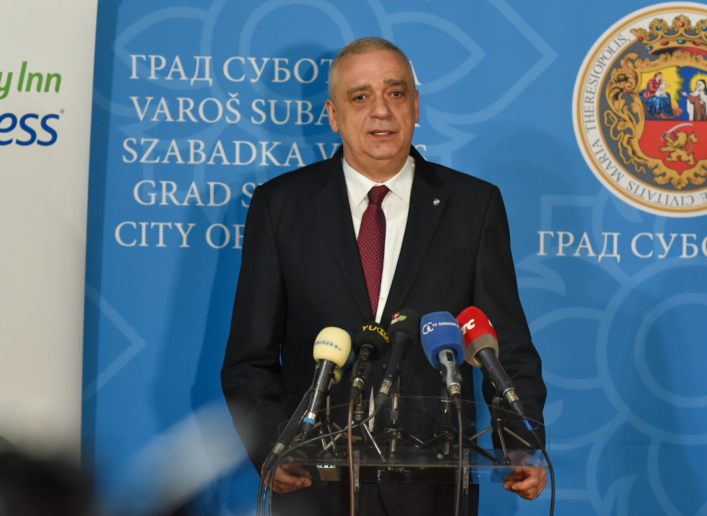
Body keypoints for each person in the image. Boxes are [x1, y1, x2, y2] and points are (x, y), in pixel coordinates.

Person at [221, 37, 547, 515]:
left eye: (395, 93)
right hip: (315, 481)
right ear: (333, 115)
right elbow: (249, 359)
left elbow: (504, 346)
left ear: (416, 106)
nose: (381, 111)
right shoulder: (281, 206)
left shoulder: (472, 206)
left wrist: (520, 442)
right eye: (361, 97)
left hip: (432, 485)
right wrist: (275, 445)